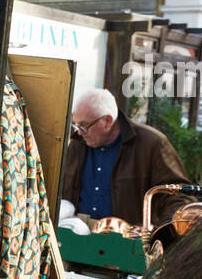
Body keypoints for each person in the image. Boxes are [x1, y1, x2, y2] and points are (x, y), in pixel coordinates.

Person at [60, 88, 190, 226]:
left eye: (85, 126)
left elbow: (179, 195)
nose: (79, 132)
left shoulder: (152, 144)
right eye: (76, 125)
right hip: (76, 233)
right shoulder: (77, 144)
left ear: (108, 121)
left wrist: (158, 233)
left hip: (127, 240)